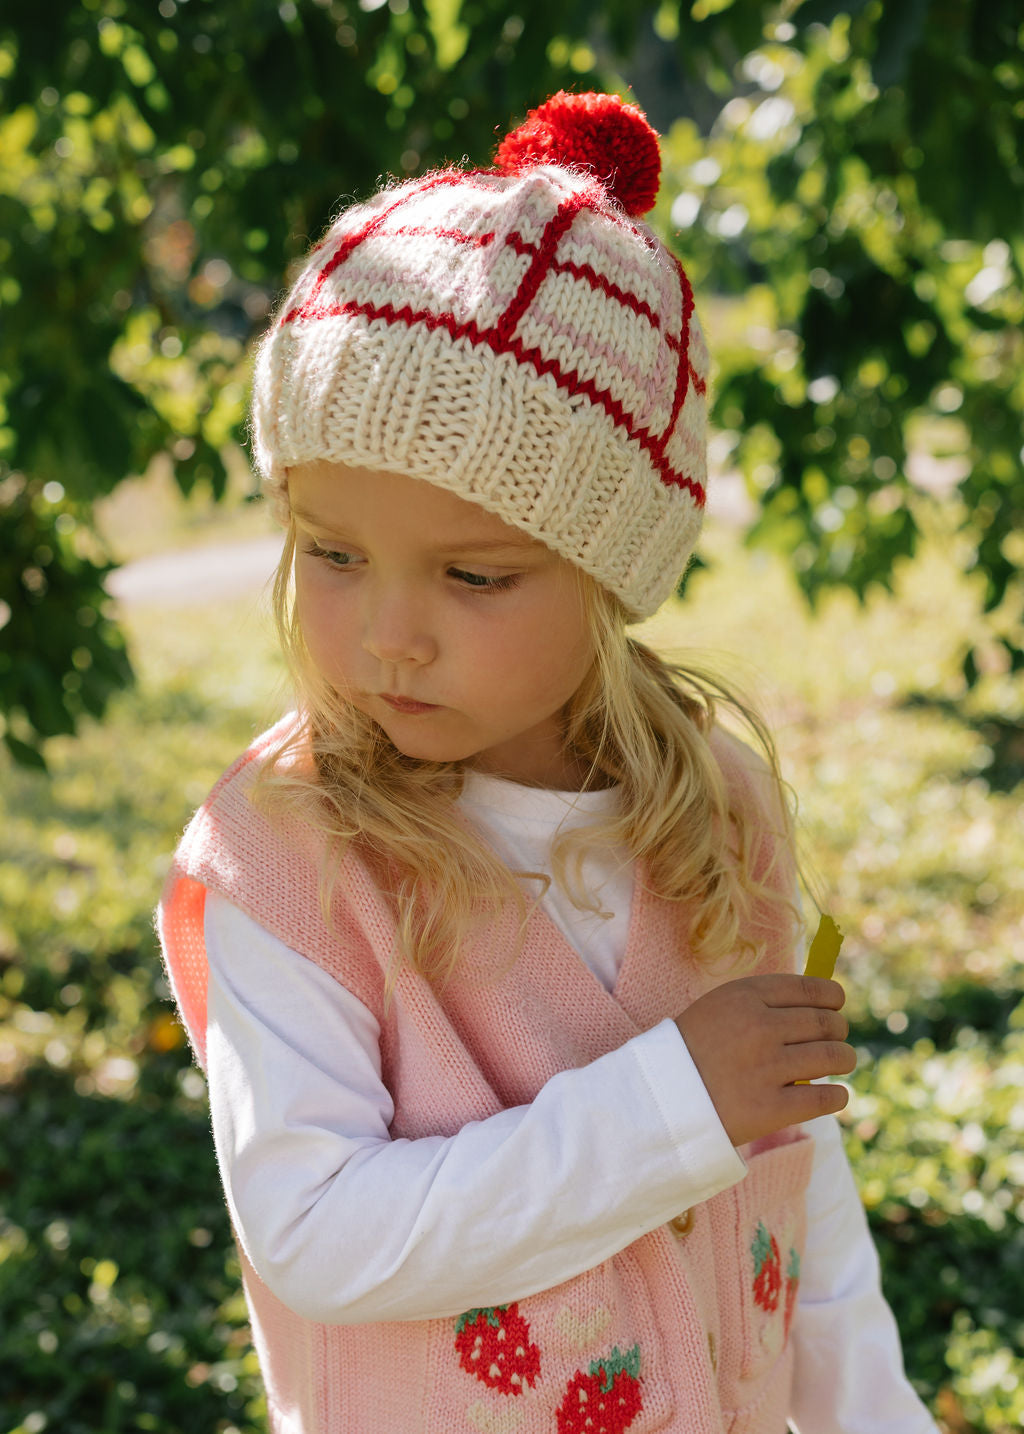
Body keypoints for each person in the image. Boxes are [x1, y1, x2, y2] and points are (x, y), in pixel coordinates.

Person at [159, 91, 939, 1434]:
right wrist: (673, 1102)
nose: (388, 635)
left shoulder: (717, 815)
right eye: (331, 551)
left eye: (474, 572)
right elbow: (320, 1228)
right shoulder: (288, 858)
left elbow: (794, 1171)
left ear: (613, 570)